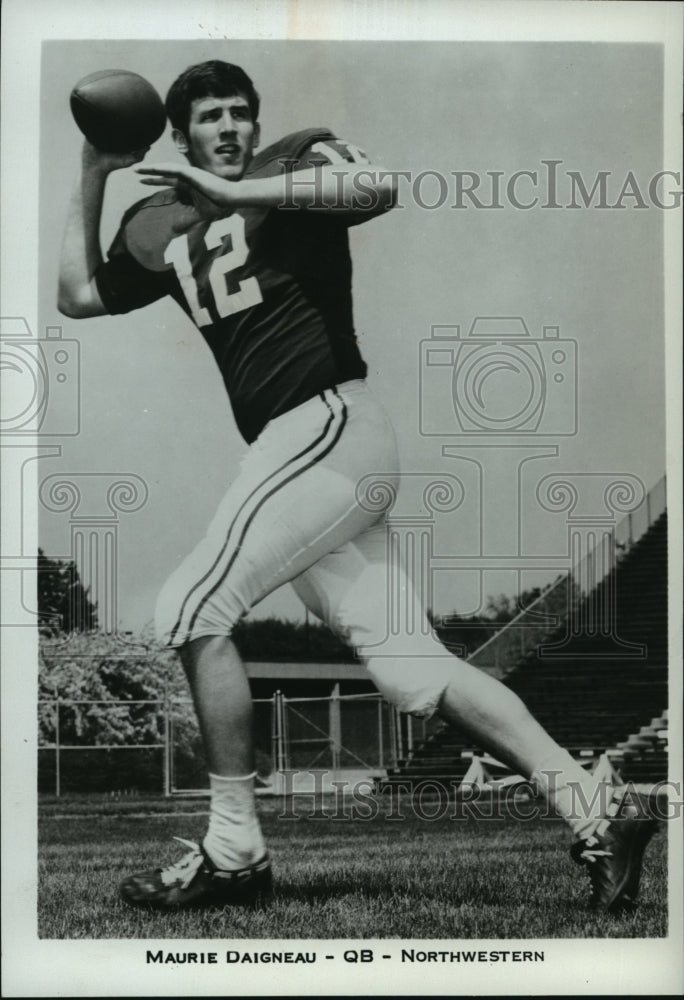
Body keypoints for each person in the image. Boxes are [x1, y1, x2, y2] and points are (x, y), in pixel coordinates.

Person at [58, 59, 658, 914]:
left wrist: (244, 196)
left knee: (192, 606)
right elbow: (77, 296)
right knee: (413, 667)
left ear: (256, 127)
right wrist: (92, 173)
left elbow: (378, 185)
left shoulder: (288, 164)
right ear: (179, 129)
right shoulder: (155, 219)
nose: (228, 129)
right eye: (209, 118)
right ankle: (597, 810)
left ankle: (234, 849)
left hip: (331, 421)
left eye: (239, 115)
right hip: (289, 450)